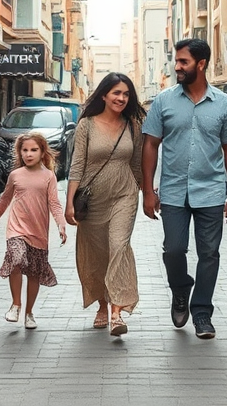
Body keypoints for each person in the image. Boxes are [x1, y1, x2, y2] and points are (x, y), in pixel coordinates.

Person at [141, 38, 227, 340]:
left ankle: (202, 314)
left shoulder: (225, 104)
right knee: (173, 250)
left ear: (201, 64)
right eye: (177, 61)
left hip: (211, 190)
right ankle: (181, 287)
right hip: (172, 191)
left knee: (209, 253)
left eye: (183, 62)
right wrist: (148, 190)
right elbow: (150, 145)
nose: (177, 66)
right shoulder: (163, 101)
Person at [65, 72, 146, 336]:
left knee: (118, 246)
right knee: (98, 254)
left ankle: (116, 313)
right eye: (116, 93)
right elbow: (77, 165)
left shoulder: (133, 126)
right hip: (92, 199)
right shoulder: (86, 125)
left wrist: (147, 194)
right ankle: (102, 304)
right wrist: (69, 204)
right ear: (104, 95)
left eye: (126, 94)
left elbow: (136, 165)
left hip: (124, 195)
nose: (122, 98)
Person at [0, 133, 67, 331]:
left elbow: (55, 204)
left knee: (34, 273)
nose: (29, 154)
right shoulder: (15, 175)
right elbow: (5, 198)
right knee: (15, 259)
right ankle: (16, 305)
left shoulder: (49, 176)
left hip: (38, 232)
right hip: (16, 228)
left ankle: (29, 312)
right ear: (19, 152)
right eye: (25, 150)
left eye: (34, 150)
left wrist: (61, 224)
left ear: (42, 152)